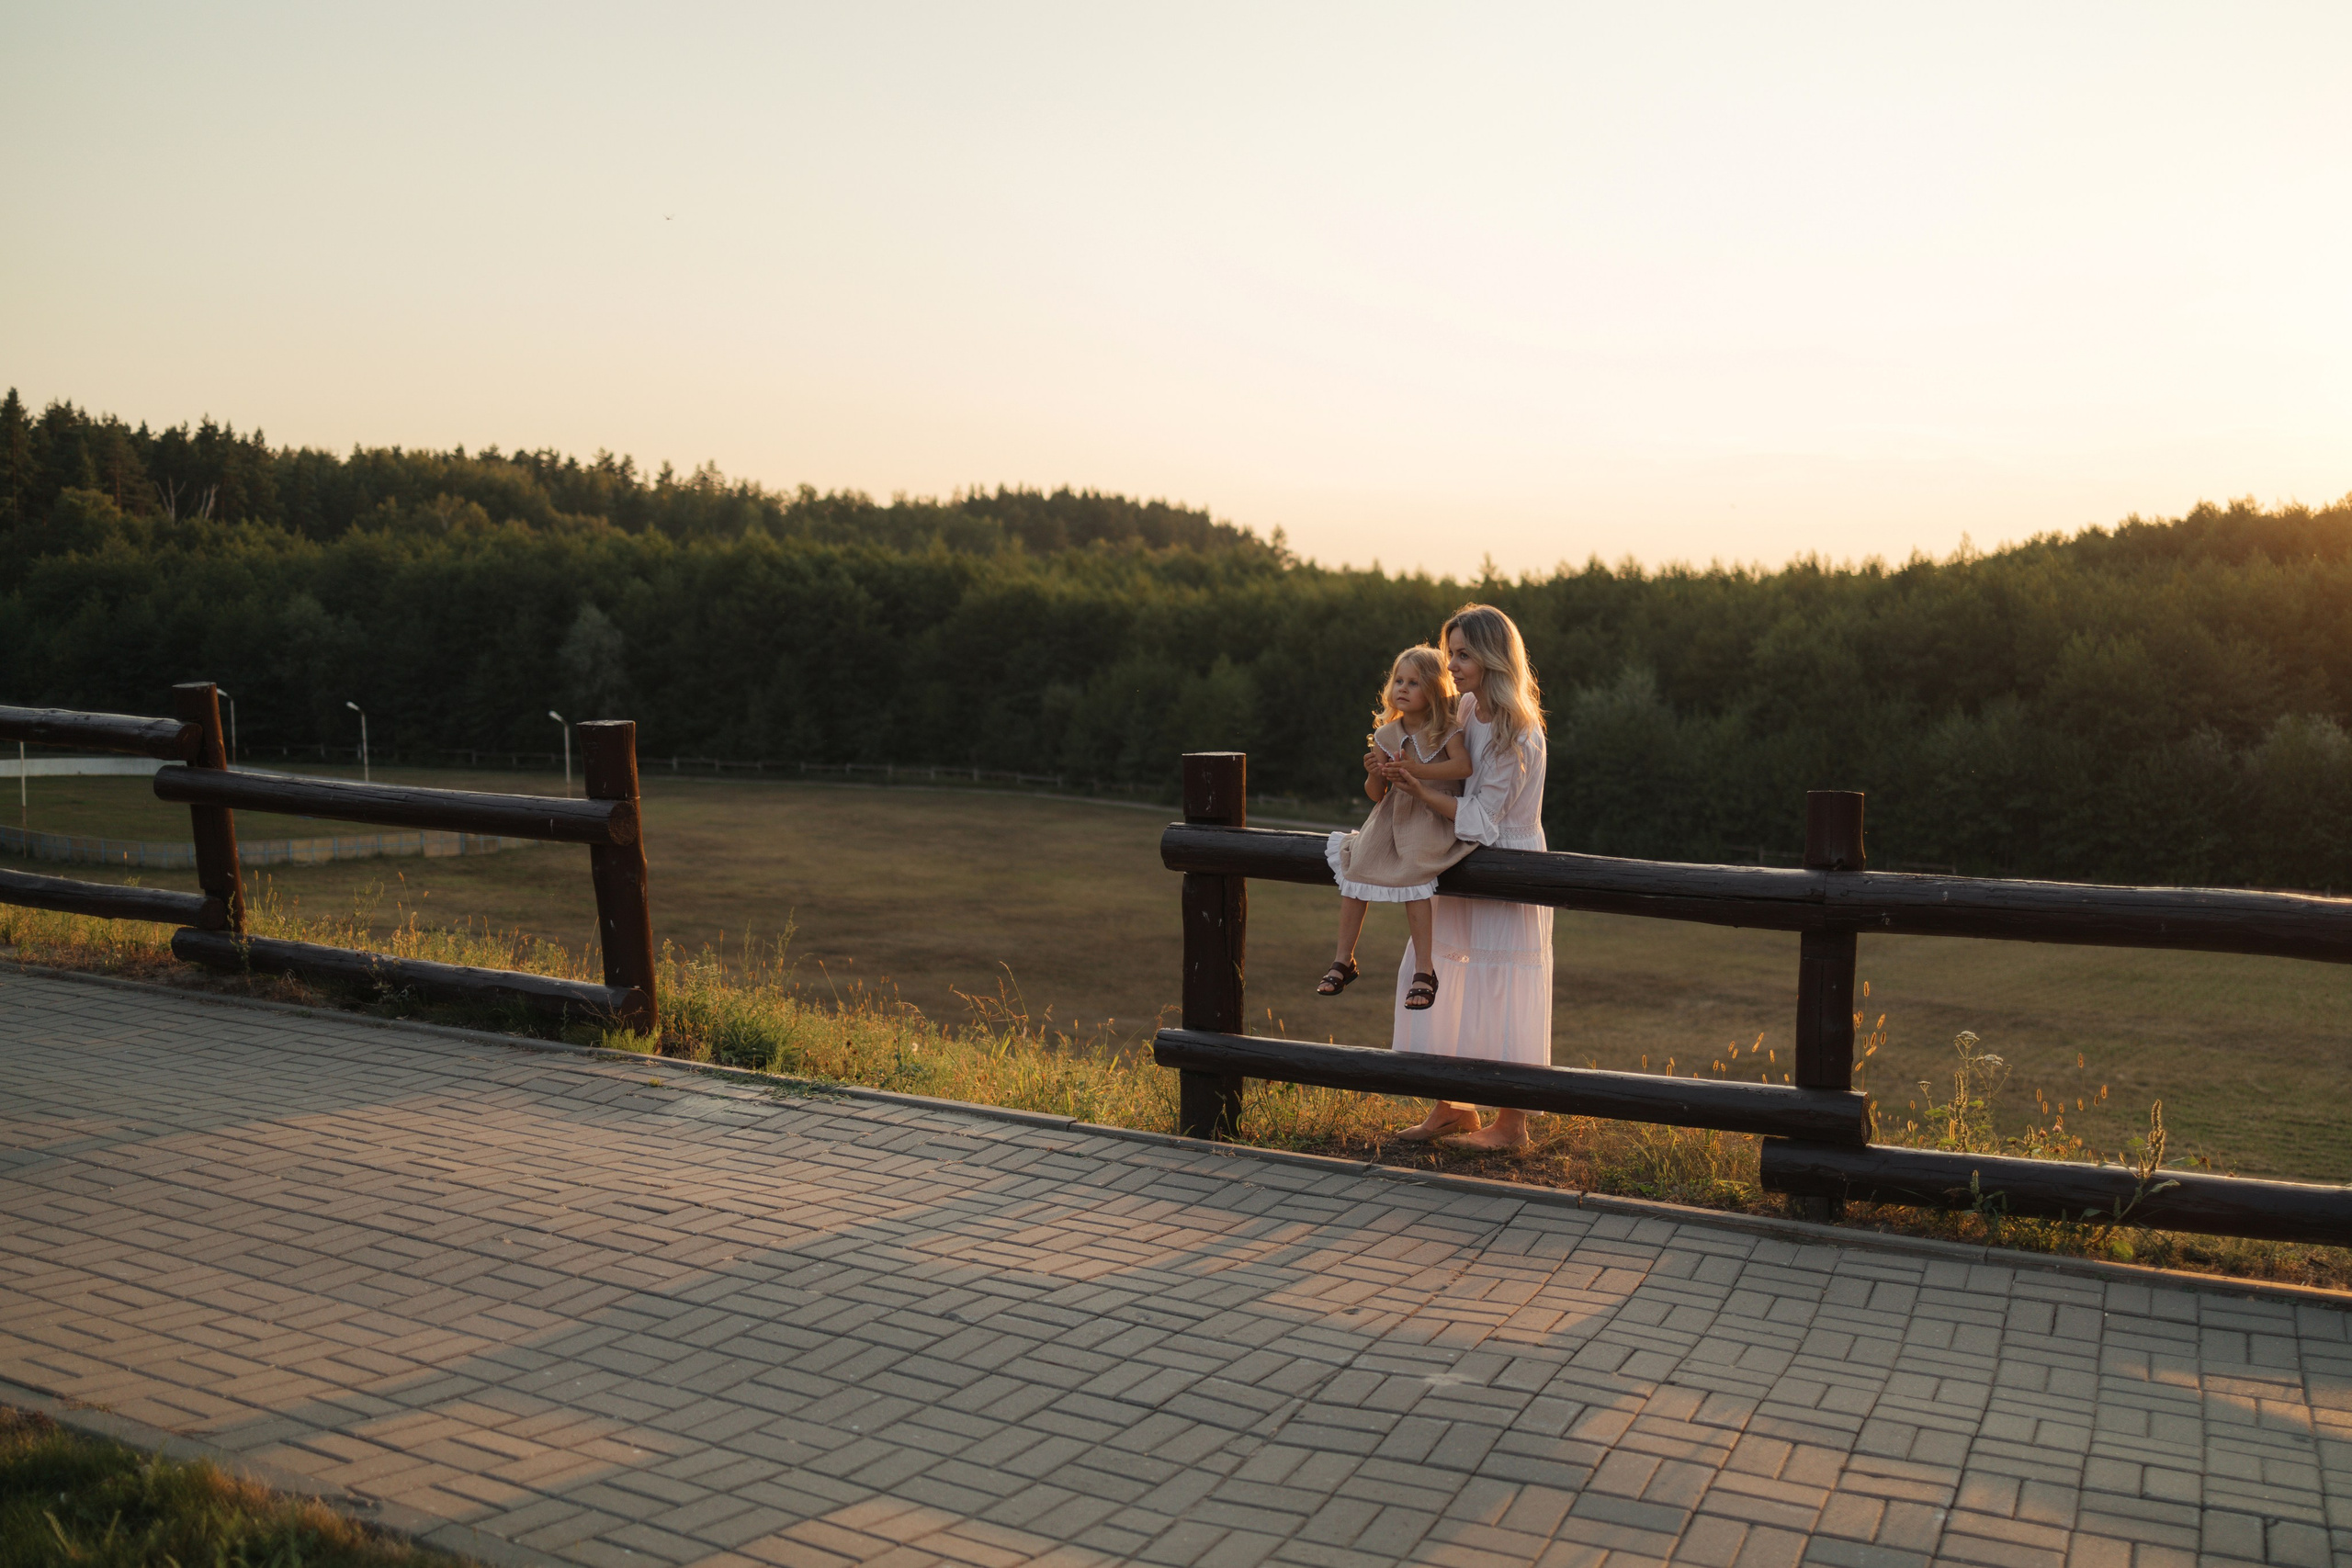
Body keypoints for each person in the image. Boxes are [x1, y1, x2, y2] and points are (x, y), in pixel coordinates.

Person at [1374, 604, 1553, 1150]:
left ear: (1495, 657)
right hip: (1459, 856)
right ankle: (1451, 1107)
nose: (1451, 664)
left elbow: (1483, 818)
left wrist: (1419, 791)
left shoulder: (1515, 730)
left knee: (1501, 985)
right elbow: (1440, 753)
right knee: (1450, 977)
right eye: (1450, 652)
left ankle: (1512, 1126)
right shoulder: (1468, 707)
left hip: (1507, 863)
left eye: (1464, 654)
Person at [1317, 645, 1475, 1007]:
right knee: (1356, 865)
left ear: (1435, 691)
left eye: (1414, 683)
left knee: (1416, 872)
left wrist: (1417, 772)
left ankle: (1424, 969)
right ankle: (1344, 958)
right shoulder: (1388, 734)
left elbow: (1463, 769)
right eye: (1398, 680)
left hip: (1432, 813)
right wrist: (1374, 774)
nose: (1402, 688)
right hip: (1393, 814)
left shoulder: (1446, 730)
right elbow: (1377, 795)